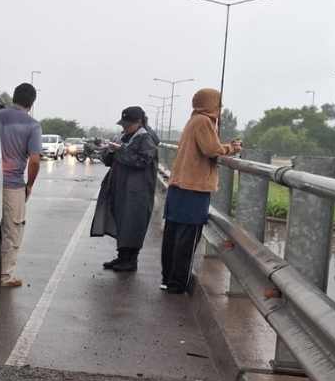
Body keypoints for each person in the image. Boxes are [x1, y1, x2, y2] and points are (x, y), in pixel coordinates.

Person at [161, 88, 242, 294]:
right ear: (211, 104)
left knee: (173, 235)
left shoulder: (193, 121)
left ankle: (168, 278)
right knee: (187, 239)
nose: (220, 108)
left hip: (178, 188)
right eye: (218, 104)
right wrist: (232, 147)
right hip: (194, 189)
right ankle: (178, 283)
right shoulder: (204, 122)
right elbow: (211, 149)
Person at [90, 106, 159, 272]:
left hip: (137, 190)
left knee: (134, 222)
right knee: (121, 220)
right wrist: (110, 151)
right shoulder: (122, 136)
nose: (125, 127)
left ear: (139, 122)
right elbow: (109, 160)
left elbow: (142, 161)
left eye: (128, 124)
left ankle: (131, 260)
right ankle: (122, 257)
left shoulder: (146, 138)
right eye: (123, 124)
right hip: (119, 186)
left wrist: (121, 150)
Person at [0, 83, 42, 287]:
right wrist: (29, 185)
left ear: (13, 97)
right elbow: (34, 161)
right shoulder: (32, 125)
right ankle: (5, 276)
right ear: (31, 103)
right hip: (13, 184)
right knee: (12, 229)